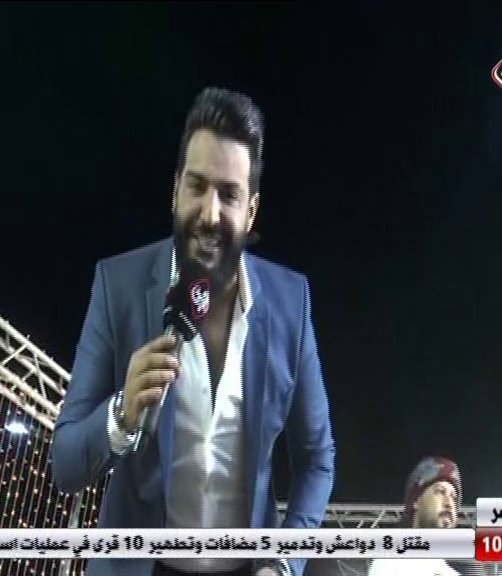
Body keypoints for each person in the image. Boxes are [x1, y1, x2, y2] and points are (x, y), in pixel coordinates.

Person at [51, 87, 335, 576]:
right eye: (197, 186)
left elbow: (317, 458)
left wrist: (285, 562)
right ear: (175, 189)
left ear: (251, 211)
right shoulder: (118, 285)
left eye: (229, 195)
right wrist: (120, 414)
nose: (209, 213)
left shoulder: (292, 302)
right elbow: (65, 464)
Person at [367, 457, 462, 576]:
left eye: (453, 497)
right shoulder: (391, 563)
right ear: (416, 500)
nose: (449, 503)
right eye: (440, 492)